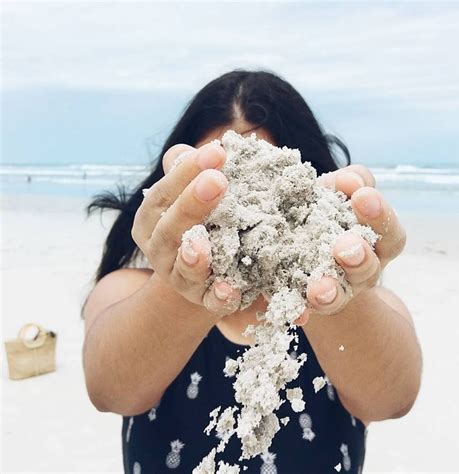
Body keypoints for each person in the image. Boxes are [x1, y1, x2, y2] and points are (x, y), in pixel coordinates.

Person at [82, 70, 422, 473]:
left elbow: (392, 398)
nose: (245, 209)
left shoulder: (363, 309)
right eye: (216, 183)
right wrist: (188, 271)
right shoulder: (125, 290)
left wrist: (329, 267)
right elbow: (111, 391)